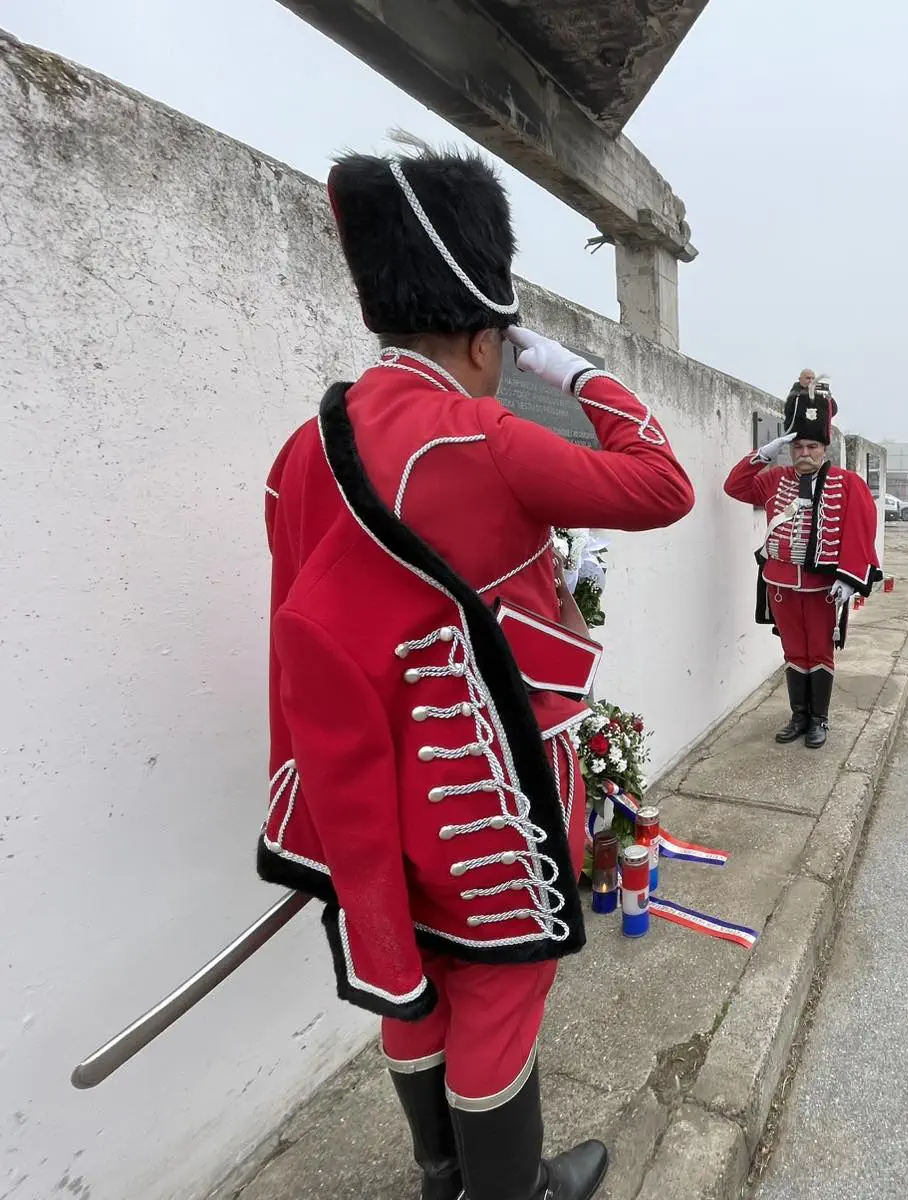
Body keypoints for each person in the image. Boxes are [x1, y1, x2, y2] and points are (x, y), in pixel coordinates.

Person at [259, 146, 695, 1200]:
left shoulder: (299, 450)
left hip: (353, 785)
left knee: (411, 984)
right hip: (477, 778)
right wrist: (570, 367)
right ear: (482, 331)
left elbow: (289, 627)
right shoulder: (482, 432)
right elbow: (662, 482)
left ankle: (442, 1174)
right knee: (499, 987)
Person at [724, 375, 882, 748]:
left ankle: (819, 720)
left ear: (824, 448)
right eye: (798, 446)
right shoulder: (775, 479)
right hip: (780, 583)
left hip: (822, 588)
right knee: (793, 651)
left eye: (812, 446)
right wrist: (762, 455)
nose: (805, 453)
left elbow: (861, 530)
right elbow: (734, 487)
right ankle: (798, 715)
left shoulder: (847, 483)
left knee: (819, 652)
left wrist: (850, 577)